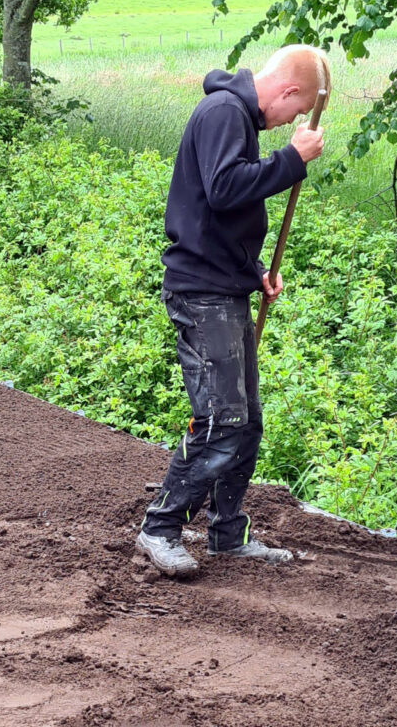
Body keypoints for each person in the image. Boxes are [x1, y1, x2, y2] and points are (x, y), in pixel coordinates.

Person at [135, 45, 329, 576]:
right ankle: (160, 528)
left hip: (225, 287)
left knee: (247, 424)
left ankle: (225, 534)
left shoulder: (236, 117)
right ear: (289, 93)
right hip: (201, 293)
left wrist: (255, 270)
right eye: (296, 110)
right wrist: (291, 159)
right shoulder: (224, 112)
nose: (289, 122)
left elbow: (222, 216)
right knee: (223, 420)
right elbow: (223, 190)